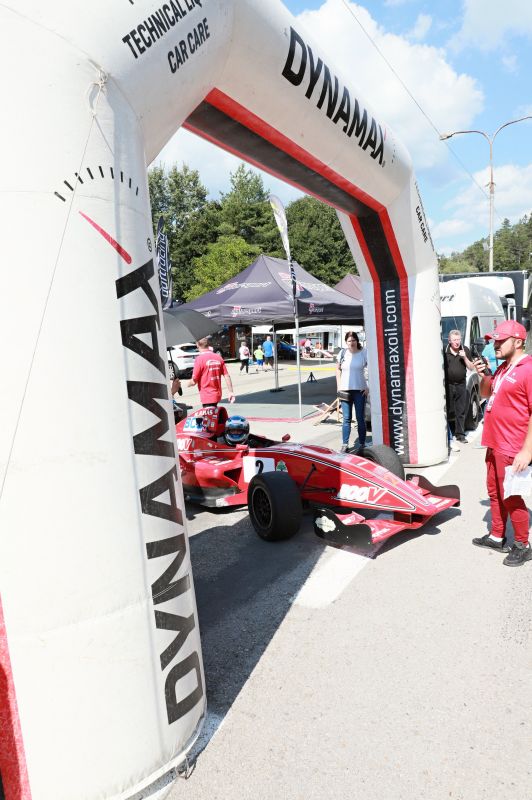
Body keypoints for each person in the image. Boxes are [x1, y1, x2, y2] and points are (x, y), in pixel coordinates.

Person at [472, 320, 532, 567]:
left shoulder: (528, 370)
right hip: (495, 443)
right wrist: (484, 375)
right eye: (494, 340)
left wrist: (527, 451)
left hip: (512, 446)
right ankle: (497, 536)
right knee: (495, 492)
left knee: (511, 496)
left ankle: (523, 545)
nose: (495, 344)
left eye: (500, 340)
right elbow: (486, 393)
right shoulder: (504, 368)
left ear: (518, 342)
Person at [336, 331, 368, 453]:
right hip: (345, 390)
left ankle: (362, 444)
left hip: (360, 390)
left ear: (357, 341)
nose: (351, 343)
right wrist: (339, 386)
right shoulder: (342, 353)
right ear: (346, 342)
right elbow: (337, 370)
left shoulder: (364, 352)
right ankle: (345, 444)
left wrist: (368, 386)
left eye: (353, 340)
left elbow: (371, 369)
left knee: (360, 418)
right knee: (346, 419)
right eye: (349, 341)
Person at [444, 329, 475, 444]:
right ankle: (448, 434)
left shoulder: (465, 349)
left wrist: (465, 357)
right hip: (448, 385)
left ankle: (460, 435)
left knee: (460, 410)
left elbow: (471, 367)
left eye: (458, 339)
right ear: (449, 341)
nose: (457, 342)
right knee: (449, 410)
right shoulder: (445, 351)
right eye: (454, 340)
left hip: (461, 384)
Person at [188, 337, 235, 407]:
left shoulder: (199, 359)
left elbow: (194, 381)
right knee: (215, 412)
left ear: (197, 345)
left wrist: (187, 384)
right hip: (217, 395)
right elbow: (226, 375)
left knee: (209, 413)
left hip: (207, 397)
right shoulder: (218, 357)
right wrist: (231, 392)